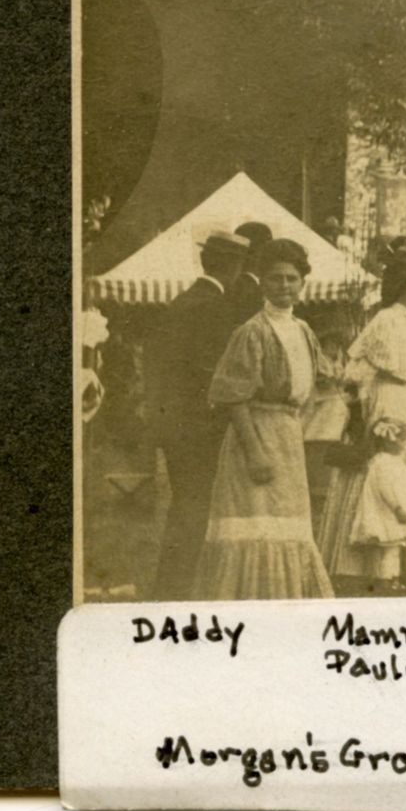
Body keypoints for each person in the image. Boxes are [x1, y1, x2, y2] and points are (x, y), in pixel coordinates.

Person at [194, 238, 333, 599]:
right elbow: (232, 399)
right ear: (263, 284)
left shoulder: (303, 331)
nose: (284, 286)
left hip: (289, 439)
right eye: (275, 278)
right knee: (257, 525)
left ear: (303, 283)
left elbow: (317, 384)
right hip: (254, 437)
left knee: (289, 526)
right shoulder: (252, 332)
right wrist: (255, 452)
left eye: (291, 278)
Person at [141, 227, 250, 600]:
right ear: (234, 267)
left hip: (173, 424)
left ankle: (170, 587)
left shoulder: (181, 302)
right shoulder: (214, 307)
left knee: (183, 505)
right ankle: (177, 590)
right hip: (200, 426)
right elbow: (212, 372)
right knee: (195, 509)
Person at [315, 250, 406, 584]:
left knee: (402, 467)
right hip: (388, 399)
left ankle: (404, 557)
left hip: (403, 397)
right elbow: (358, 368)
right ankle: (367, 558)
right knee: (383, 464)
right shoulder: (386, 319)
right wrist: (361, 402)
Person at [339, 417, 406, 588]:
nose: (405, 444)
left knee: (394, 548)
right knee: (389, 549)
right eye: (402, 440)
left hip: (394, 509)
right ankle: (385, 579)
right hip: (387, 511)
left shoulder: (393, 461)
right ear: (389, 442)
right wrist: (397, 508)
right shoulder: (382, 462)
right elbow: (385, 488)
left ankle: (391, 578)